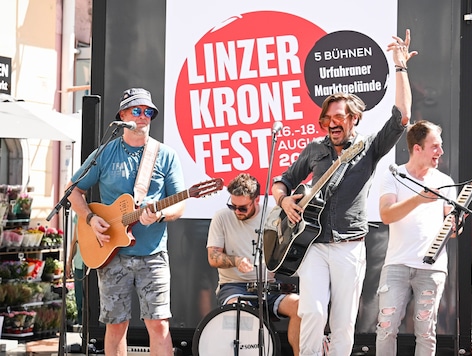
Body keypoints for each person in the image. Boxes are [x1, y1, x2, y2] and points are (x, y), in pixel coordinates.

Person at [271, 30, 416, 355]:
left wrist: (400, 66)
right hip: (314, 248)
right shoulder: (314, 150)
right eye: (327, 118)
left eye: (339, 117)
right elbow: (280, 183)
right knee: (313, 312)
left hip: (350, 248)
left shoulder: (369, 148)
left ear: (353, 119)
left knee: (342, 322)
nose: (332, 123)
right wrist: (285, 200)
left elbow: (402, 117)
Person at [67, 87, 186, 355]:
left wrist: (161, 214)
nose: (143, 116)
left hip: (153, 254)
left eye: (148, 112)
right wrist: (90, 218)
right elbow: (73, 190)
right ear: (123, 115)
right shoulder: (105, 153)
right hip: (112, 253)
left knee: (159, 325)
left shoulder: (165, 155)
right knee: (116, 325)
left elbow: (180, 203)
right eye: (137, 110)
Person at [375, 119, 455, 356]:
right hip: (397, 264)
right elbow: (386, 214)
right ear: (417, 148)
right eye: (435, 146)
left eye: (440, 146)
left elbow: (452, 223)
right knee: (386, 328)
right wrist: (420, 198)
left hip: (432, 267)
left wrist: (458, 222)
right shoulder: (394, 176)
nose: (440, 152)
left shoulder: (445, 182)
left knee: (426, 331)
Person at [207, 173, 300, 355]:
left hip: (268, 287)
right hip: (234, 287)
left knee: (301, 307)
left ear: (256, 200)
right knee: (243, 313)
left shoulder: (274, 217)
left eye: (242, 208)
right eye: (232, 206)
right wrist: (236, 261)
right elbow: (213, 256)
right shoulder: (221, 217)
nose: (236, 211)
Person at [66, 214, 84, 327]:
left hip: (95, 263)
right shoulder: (79, 214)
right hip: (79, 264)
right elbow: (75, 240)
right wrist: (69, 262)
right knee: (80, 302)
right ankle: (83, 333)